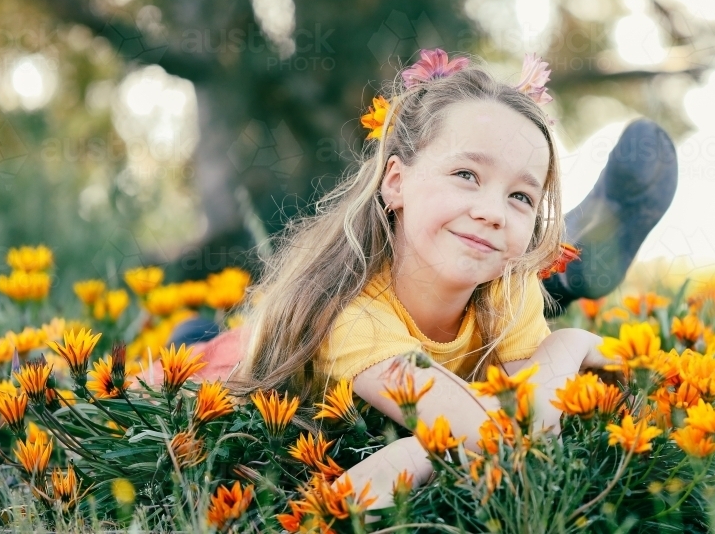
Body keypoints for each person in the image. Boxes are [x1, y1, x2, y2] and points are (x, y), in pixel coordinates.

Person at [166, 50, 678, 508]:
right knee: (194, 344)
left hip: (442, 321)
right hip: (218, 370)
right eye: (467, 176)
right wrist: (568, 344)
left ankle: (567, 260)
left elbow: (530, 421)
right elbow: (501, 435)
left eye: (521, 197)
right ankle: (570, 265)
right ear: (396, 182)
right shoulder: (350, 316)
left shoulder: (508, 285)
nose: (493, 212)